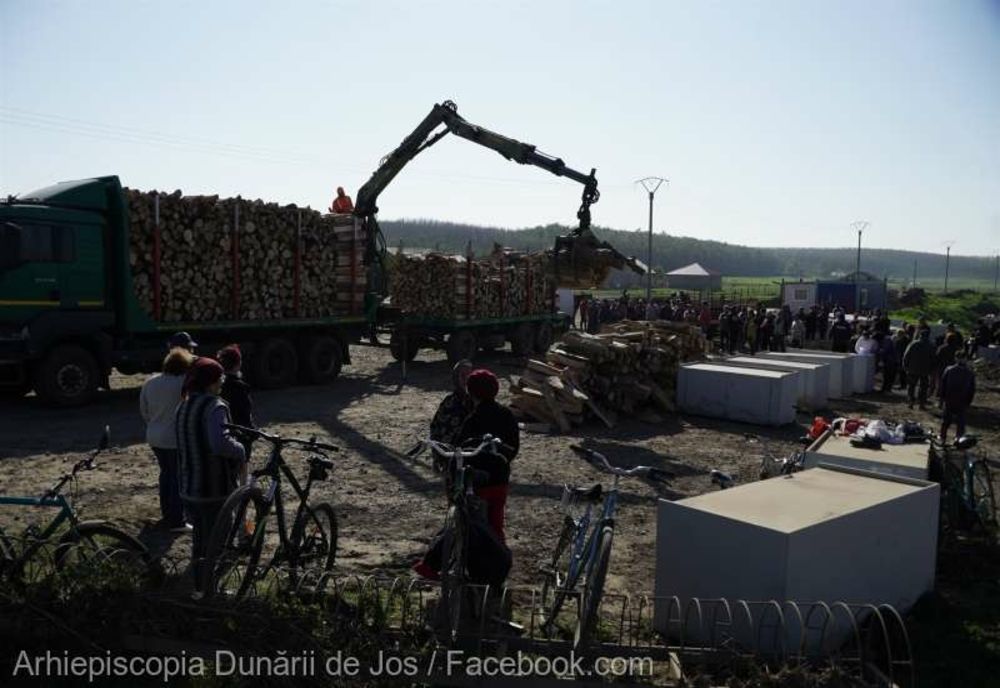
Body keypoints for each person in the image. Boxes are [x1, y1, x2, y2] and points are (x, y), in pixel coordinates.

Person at [176, 357, 248, 599]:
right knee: (217, 542)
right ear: (212, 382)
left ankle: (199, 587)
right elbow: (219, 444)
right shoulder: (215, 406)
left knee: (199, 542)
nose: (222, 382)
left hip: (189, 485)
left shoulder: (183, 405)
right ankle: (209, 592)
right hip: (213, 486)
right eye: (220, 379)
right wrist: (240, 449)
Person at [456, 369, 519, 544]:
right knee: (496, 523)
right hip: (500, 478)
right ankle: (499, 560)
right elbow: (514, 447)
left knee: (471, 522)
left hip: (476, 480)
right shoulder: (506, 414)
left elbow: (460, 446)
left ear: (471, 392)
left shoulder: (472, 418)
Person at [139, 347, 195, 533]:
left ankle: (167, 513)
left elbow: (144, 410)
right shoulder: (183, 385)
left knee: (165, 474)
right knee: (177, 477)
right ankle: (177, 519)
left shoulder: (150, 382)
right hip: (174, 438)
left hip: (154, 436)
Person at [429, 359, 475, 445]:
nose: (466, 379)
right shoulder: (449, 402)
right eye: (462, 375)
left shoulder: (478, 401)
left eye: (469, 375)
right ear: (456, 378)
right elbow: (435, 429)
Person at [938, 351, 976, 443]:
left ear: (955, 358)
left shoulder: (949, 369)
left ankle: (943, 437)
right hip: (962, 399)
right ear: (966, 360)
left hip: (949, 398)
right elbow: (972, 389)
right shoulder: (970, 373)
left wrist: (941, 399)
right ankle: (959, 439)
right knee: (960, 421)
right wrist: (969, 401)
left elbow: (943, 385)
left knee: (946, 420)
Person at [902, 329, 934, 409]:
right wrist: (931, 369)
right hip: (925, 370)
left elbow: (906, 355)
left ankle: (911, 402)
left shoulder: (913, 344)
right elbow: (933, 359)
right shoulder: (931, 345)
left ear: (920, 335)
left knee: (911, 386)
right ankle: (921, 404)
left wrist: (905, 366)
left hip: (913, 368)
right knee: (923, 387)